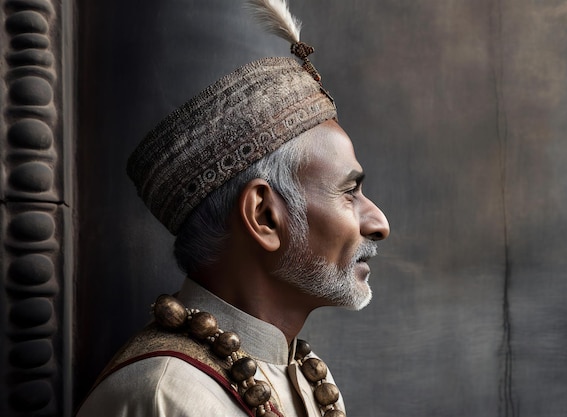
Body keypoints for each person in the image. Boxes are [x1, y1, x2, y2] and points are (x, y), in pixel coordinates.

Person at [77, 3, 389, 417]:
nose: (379, 223)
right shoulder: (169, 398)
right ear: (263, 217)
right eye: (349, 192)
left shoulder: (309, 381)